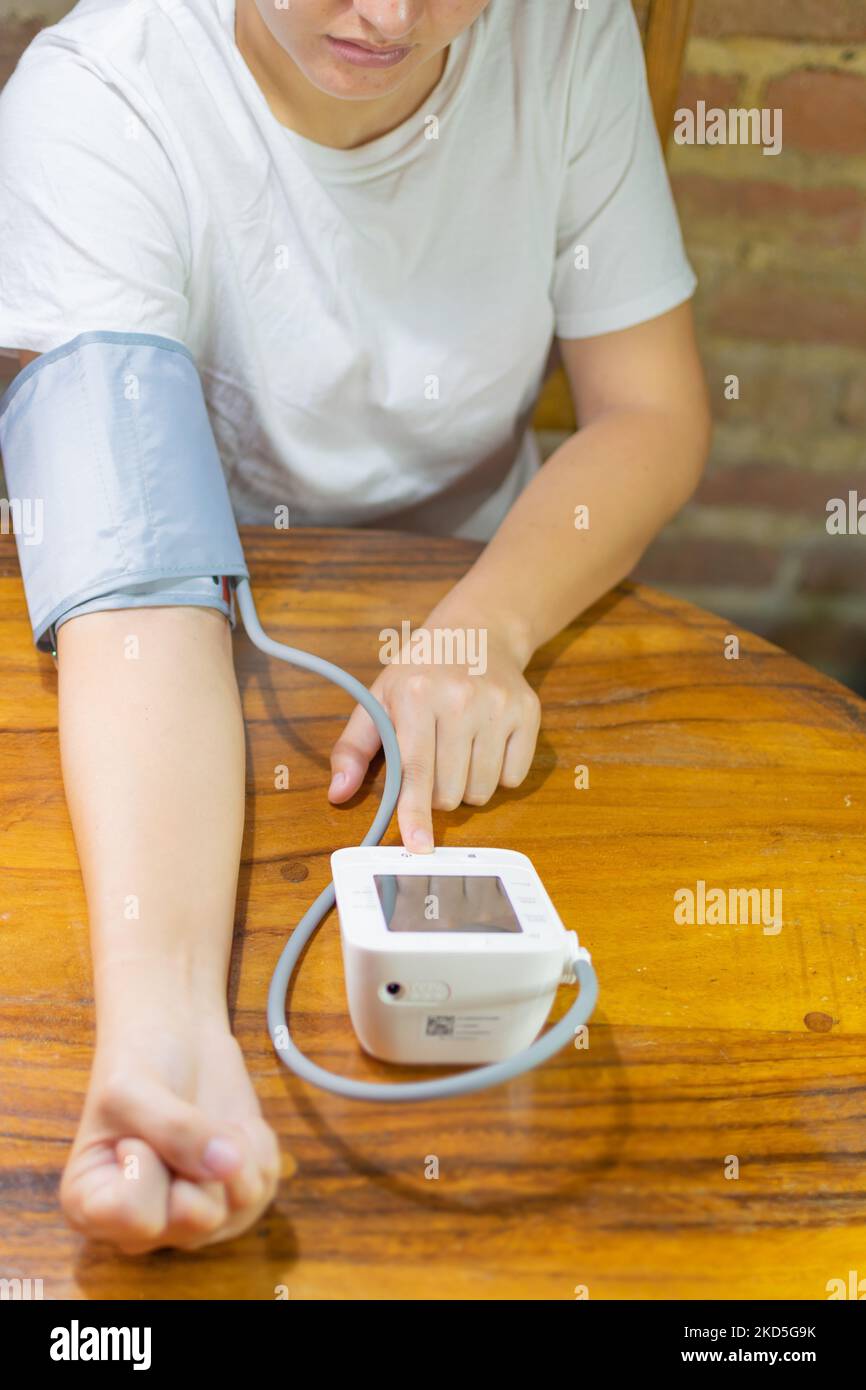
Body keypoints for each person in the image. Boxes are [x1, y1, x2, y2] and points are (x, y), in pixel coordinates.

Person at [0, 0, 711, 1253]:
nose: (389, 16)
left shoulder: (566, 35)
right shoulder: (92, 99)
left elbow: (648, 414)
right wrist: (165, 1033)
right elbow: (135, 589)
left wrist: (484, 628)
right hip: (189, 654)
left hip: (489, 582)